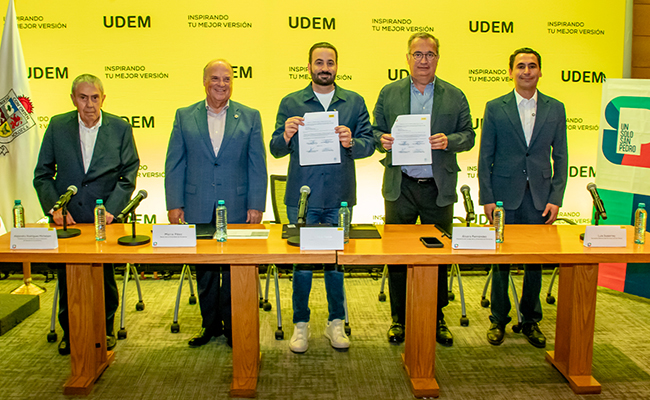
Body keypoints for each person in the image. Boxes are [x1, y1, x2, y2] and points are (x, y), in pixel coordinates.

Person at [270, 42, 374, 353]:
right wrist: (286, 134)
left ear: (337, 67)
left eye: (330, 62)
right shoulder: (291, 102)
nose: (325, 68)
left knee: (336, 263)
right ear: (309, 67)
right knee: (302, 265)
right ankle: (300, 323)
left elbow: (369, 145)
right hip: (302, 197)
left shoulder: (354, 102)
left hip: (340, 196)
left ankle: (335, 322)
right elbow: (275, 148)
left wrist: (351, 141)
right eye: (319, 62)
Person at [373, 32, 475, 346]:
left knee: (439, 256)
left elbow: (468, 135)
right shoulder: (389, 92)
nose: (423, 60)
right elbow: (374, 130)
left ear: (437, 58)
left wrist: (450, 140)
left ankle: (437, 317)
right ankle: (399, 318)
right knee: (397, 256)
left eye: (430, 54)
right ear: (407, 58)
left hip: (437, 187)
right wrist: (381, 139)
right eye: (417, 54)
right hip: (400, 185)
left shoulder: (454, 95)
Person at [33, 74, 140, 355]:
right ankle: (72, 332)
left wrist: (112, 210)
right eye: (83, 98)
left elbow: (128, 174)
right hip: (68, 218)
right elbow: (42, 174)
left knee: (103, 277)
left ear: (103, 98)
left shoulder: (120, 128)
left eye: (94, 98)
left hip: (105, 217)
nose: (89, 104)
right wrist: (56, 207)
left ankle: (105, 329)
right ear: (73, 99)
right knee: (69, 277)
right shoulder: (57, 126)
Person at [165, 59, 267, 348]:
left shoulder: (250, 116)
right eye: (215, 78)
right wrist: (174, 202)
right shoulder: (184, 116)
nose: (222, 84)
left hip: (238, 206)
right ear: (204, 82)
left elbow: (257, 164)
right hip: (197, 205)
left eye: (227, 78)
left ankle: (234, 327)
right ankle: (209, 325)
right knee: (206, 271)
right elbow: (175, 162)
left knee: (235, 269)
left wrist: (256, 204)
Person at [478, 47, 568, 348]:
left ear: (540, 71)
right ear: (511, 72)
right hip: (504, 197)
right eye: (520, 66)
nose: (526, 71)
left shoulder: (556, 108)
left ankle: (530, 319)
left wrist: (556, 197)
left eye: (532, 66)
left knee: (535, 262)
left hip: (540, 197)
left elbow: (562, 156)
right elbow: (485, 156)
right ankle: (498, 319)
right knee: (500, 260)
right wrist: (487, 198)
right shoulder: (495, 107)